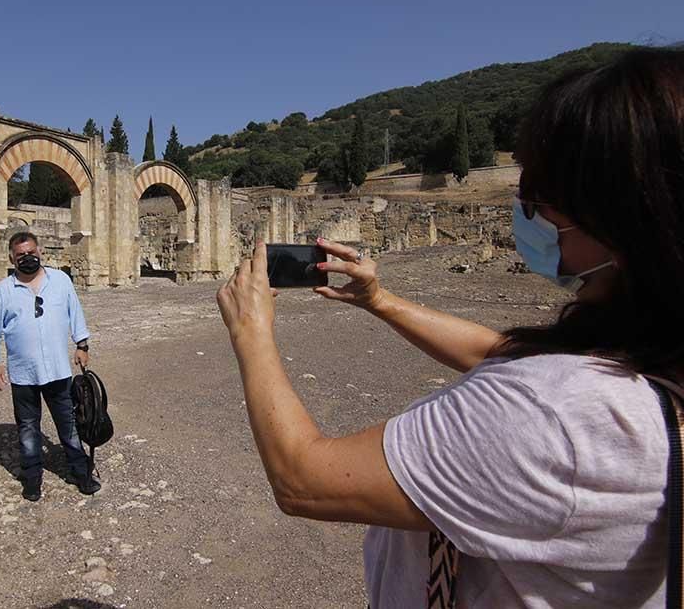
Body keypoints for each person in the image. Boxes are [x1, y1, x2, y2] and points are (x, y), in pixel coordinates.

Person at [216, 49, 684, 607]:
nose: (527, 213)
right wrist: (381, 300)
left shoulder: (552, 417)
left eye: (539, 198)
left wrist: (252, 332)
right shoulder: (646, 361)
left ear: (621, 219)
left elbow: (303, 479)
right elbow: (504, 353)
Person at [0, 231, 100, 501]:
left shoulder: (60, 280)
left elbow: (75, 311)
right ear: (11, 257)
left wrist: (82, 345)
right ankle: (32, 479)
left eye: (31, 252)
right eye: (20, 255)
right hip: (23, 374)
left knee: (68, 424)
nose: (27, 258)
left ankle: (81, 473)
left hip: (58, 370)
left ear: (40, 252)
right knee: (28, 428)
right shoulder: (3, 290)